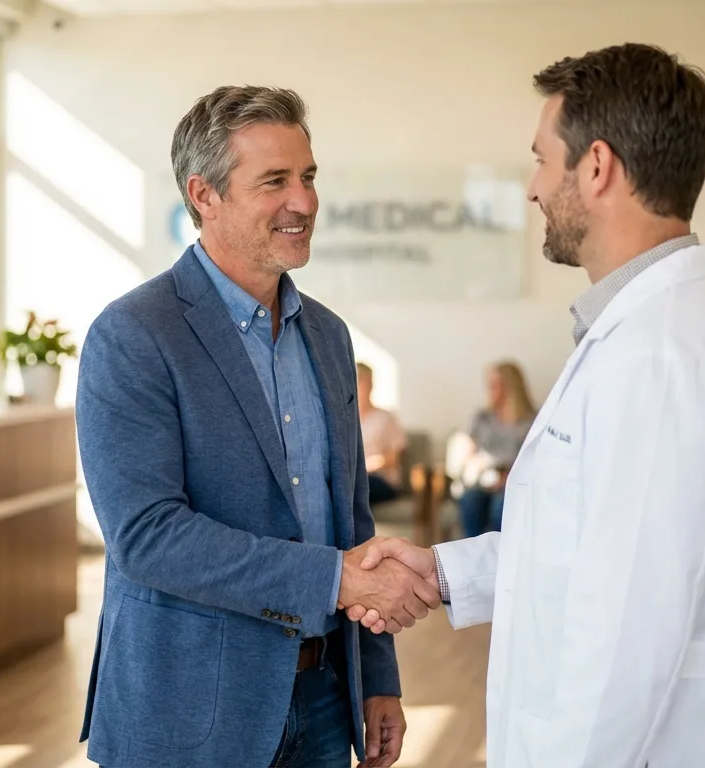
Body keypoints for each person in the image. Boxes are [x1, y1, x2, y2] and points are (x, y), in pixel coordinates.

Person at [342, 43, 705, 767]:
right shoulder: (649, 332)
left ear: (599, 166)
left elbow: (623, 639)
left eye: (543, 160)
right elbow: (586, 547)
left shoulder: (660, 355)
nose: (533, 189)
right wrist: (442, 572)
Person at [75, 85, 437, 768]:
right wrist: (333, 581)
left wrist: (378, 679)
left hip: (327, 696)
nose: (302, 201)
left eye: (307, 177)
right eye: (274, 180)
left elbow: (352, 523)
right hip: (190, 713)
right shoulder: (132, 335)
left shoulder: (327, 336)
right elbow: (147, 537)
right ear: (204, 195)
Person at [453, 361, 537, 537]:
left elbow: (532, 460)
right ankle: (471, 554)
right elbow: (467, 452)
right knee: (470, 500)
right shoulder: (481, 418)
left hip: (512, 480)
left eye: (496, 386)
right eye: (489, 385)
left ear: (511, 388)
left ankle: (498, 557)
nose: (490, 390)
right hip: (482, 479)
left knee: (502, 504)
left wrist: (507, 477)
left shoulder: (530, 423)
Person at [356, 362, 408, 504]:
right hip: (352, 477)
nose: (359, 386)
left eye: (363, 381)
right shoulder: (344, 421)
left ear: (371, 384)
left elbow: (393, 458)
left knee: (357, 488)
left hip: (380, 480)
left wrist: (365, 466)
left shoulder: (386, 418)